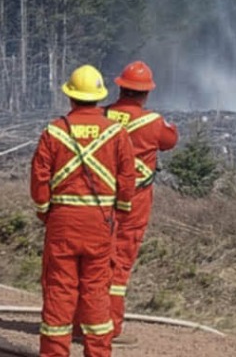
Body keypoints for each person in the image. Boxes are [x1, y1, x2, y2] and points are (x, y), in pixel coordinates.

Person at [30, 65, 136, 357]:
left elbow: (39, 178)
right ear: (99, 98)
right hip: (100, 222)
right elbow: (127, 179)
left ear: (71, 97)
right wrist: (119, 213)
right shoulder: (116, 132)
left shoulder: (55, 131)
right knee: (96, 292)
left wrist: (45, 212)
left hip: (62, 221)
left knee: (59, 291)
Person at [104, 61, 178, 342]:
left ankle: (83, 320)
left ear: (121, 87)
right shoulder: (153, 122)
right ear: (146, 94)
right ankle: (109, 328)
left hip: (98, 201)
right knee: (120, 263)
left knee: (93, 261)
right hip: (134, 203)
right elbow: (171, 140)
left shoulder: (103, 116)